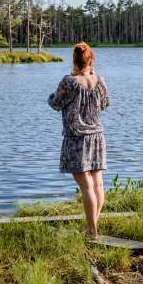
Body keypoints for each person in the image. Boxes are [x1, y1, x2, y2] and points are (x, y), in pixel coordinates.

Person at [48, 42, 109, 238]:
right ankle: (91, 227)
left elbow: (55, 103)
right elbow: (105, 104)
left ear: (74, 61)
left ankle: (92, 230)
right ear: (91, 61)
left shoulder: (69, 82)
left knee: (86, 187)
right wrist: (92, 75)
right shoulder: (99, 81)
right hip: (97, 137)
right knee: (97, 185)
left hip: (77, 139)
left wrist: (51, 95)